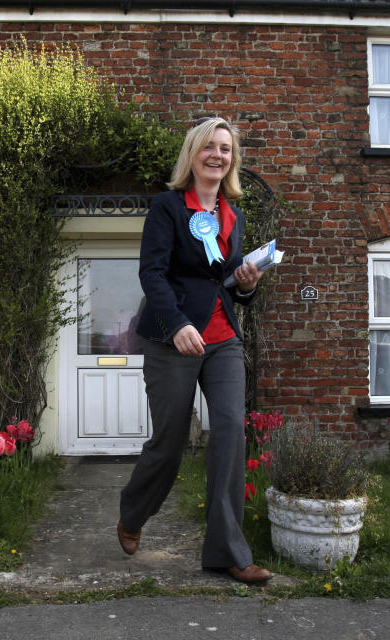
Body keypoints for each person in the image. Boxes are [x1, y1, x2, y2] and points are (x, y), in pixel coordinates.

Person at [117, 117, 271, 584]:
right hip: (173, 338)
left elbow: (223, 282)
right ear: (193, 154)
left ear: (232, 159)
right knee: (170, 441)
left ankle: (228, 553)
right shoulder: (168, 208)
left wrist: (247, 284)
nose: (218, 156)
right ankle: (133, 513)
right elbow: (153, 274)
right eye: (209, 147)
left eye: (225, 149)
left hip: (223, 338)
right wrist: (177, 322)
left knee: (229, 431)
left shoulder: (234, 215)